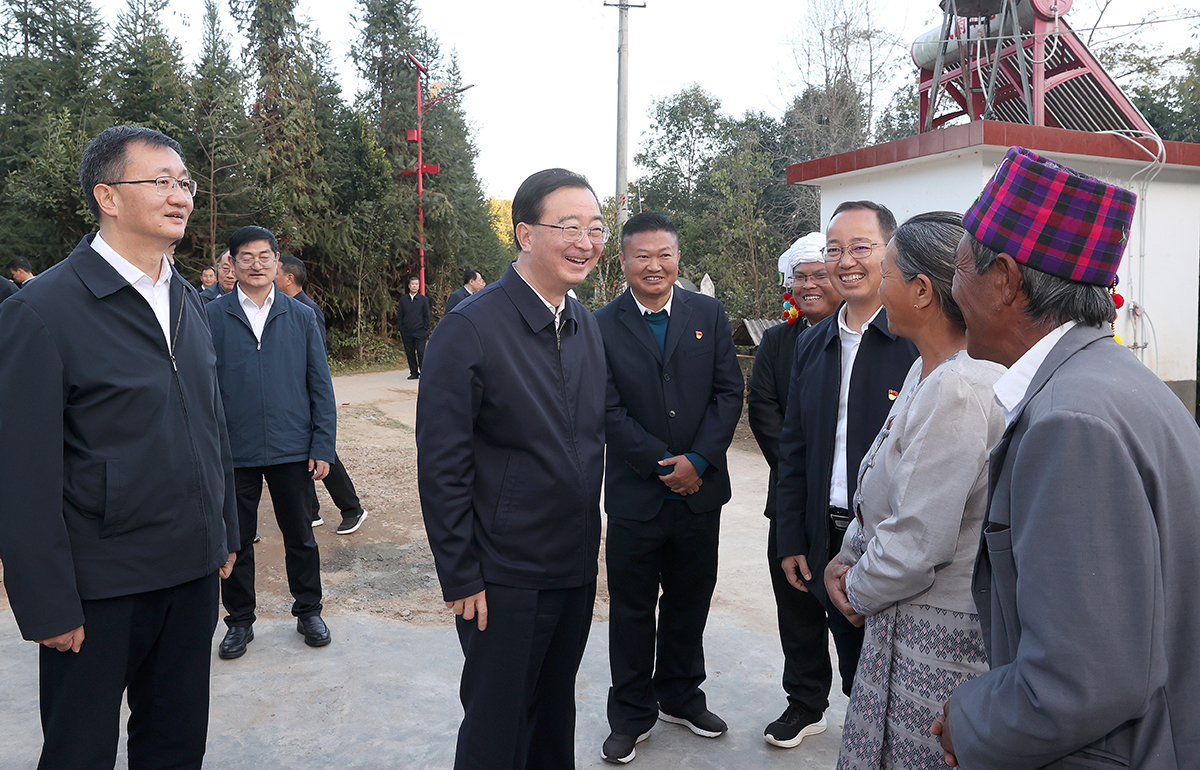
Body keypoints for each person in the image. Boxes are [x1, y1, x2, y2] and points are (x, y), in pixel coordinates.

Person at [931, 147, 1200, 768]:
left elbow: (1080, 682)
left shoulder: (1070, 424)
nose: (952, 289)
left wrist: (970, 723)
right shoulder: (1115, 382)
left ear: (1003, 280)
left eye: (960, 267)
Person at [0, 124, 238, 769]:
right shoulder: (43, 309)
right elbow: (21, 473)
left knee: (175, 744)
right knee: (80, 751)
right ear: (107, 195)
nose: (180, 195)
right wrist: (46, 602)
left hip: (188, 573)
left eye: (183, 182)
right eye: (159, 182)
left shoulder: (187, 299)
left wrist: (223, 531)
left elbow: (210, 423)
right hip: (98, 588)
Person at [415, 168, 606, 770]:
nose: (586, 242)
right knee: (499, 721)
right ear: (524, 234)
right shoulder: (470, 328)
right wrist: (462, 573)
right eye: (569, 227)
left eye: (596, 228)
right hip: (504, 574)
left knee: (554, 711)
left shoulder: (582, 323)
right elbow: (442, 465)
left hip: (571, 562)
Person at [818, 212, 1005, 769]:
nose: (879, 285)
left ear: (922, 292)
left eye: (889, 274)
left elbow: (918, 540)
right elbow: (882, 491)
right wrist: (847, 557)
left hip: (935, 638)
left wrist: (853, 586)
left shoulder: (961, 387)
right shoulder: (931, 373)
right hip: (901, 619)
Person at [595, 212, 743, 764]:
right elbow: (604, 409)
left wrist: (699, 459)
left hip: (700, 492)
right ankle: (631, 713)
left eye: (665, 255)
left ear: (678, 258)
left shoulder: (707, 312)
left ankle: (681, 695)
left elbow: (729, 393)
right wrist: (664, 465)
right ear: (625, 261)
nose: (654, 266)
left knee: (690, 600)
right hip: (638, 496)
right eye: (642, 256)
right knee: (632, 609)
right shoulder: (601, 324)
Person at [775, 201, 919, 740]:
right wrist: (790, 532)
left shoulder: (914, 344)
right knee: (823, 641)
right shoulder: (813, 342)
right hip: (821, 526)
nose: (846, 261)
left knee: (879, 678)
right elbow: (794, 446)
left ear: (892, 253)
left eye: (862, 247)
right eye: (835, 249)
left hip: (886, 538)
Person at [206, 225, 337, 659]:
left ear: (278, 263)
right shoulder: (212, 315)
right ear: (232, 263)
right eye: (246, 257)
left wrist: (321, 444)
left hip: (290, 448)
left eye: (265, 256)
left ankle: (309, 611)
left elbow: (320, 384)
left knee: (300, 535)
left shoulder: (299, 316)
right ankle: (240, 621)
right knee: (236, 540)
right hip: (235, 451)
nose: (256, 264)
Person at [746, 231, 842, 748]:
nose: (808, 285)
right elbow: (762, 407)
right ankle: (805, 703)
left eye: (818, 274)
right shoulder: (779, 342)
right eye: (800, 276)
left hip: (856, 500)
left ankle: (874, 704)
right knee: (798, 602)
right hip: (792, 496)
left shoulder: (871, 338)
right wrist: (807, 470)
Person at [275, 253, 368, 535]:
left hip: (305, 396)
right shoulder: (282, 307)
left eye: (275, 271)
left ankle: (352, 508)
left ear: (289, 278)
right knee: (298, 451)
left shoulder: (307, 309)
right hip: (289, 394)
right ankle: (312, 511)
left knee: (322, 451)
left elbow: (315, 359)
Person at [397, 275, 430, 379]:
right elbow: (400, 315)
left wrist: (425, 328)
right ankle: (414, 372)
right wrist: (402, 328)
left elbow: (427, 315)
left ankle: (424, 372)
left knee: (421, 352)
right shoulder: (403, 300)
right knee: (410, 352)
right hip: (407, 331)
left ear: (419, 286)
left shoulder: (423, 299)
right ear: (409, 286)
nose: (414, 286)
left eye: (416, 284)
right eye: (413, 284)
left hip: (420, 331)